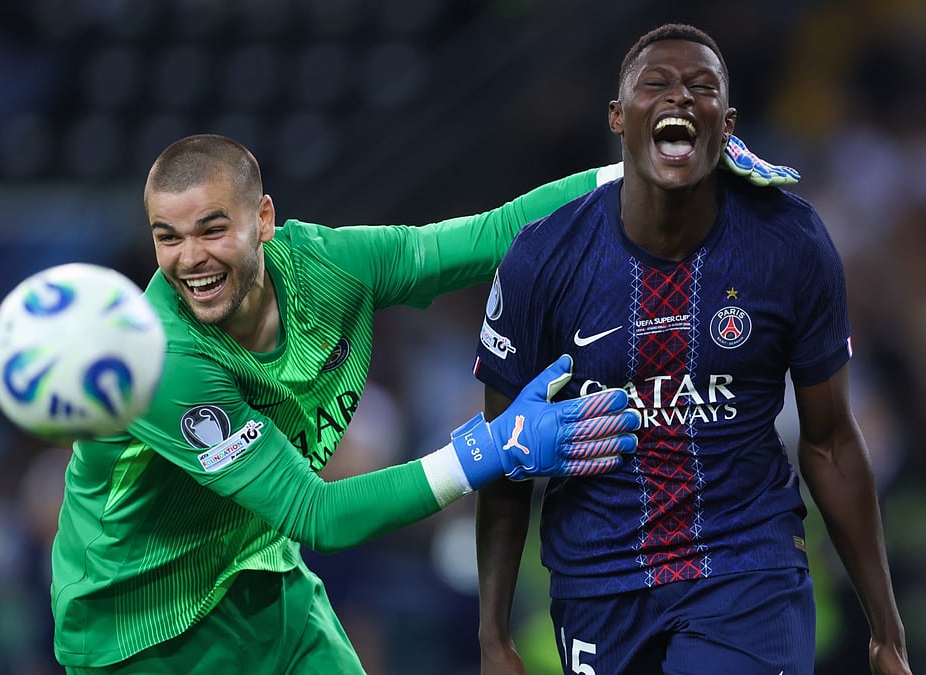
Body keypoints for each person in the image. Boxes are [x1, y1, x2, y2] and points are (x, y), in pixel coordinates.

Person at [49, 130, 787, 674]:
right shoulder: (162, 360)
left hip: (258, 577)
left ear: (264, 220)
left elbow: (493, 235)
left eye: (213, 228)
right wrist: (489, 449)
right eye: (167, 238)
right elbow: (319, 514)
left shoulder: (328, 266)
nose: (190, 259)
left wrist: (647, 169)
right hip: (137, 629)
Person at [472, 23, 912, 675]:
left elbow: (830, 441)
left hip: (747, 569)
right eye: (657, 84)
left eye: (702, 87)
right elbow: (502, 458)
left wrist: (887, 630)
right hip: (599, 583)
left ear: (726, 124)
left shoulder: (789, 244)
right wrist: (493, 636)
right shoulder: (544, 259)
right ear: (619, 118)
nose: (680, 97)